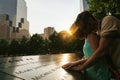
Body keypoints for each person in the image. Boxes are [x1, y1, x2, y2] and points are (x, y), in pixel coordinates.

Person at [62, 11, 120, 80]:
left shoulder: (108, 20)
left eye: (84, 28)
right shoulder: (99, 32)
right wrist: (77, 63)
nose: (84, 32)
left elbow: (101, 51)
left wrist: (81, 67)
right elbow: (96, 54)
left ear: (90, 20)